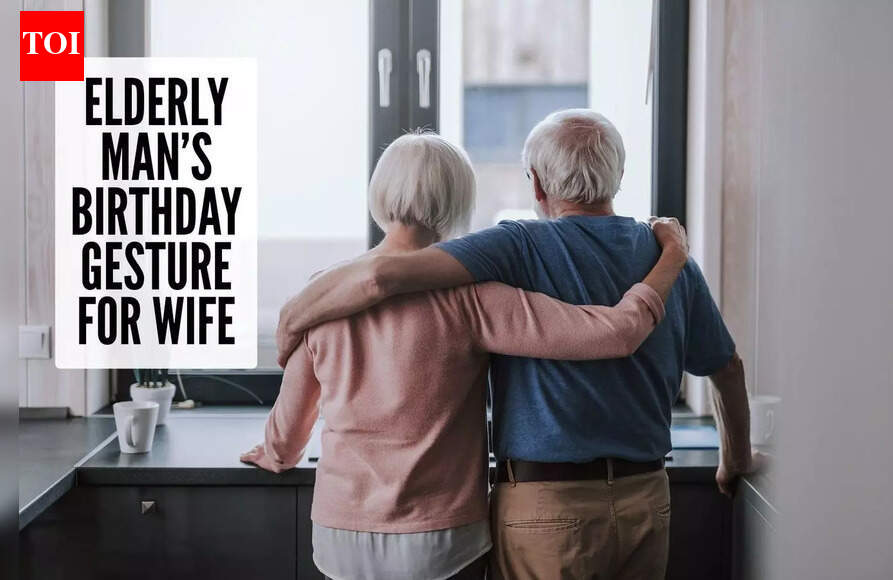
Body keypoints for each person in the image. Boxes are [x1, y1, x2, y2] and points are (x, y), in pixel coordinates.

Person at [276, 110, 755, 579]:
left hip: (544, 505)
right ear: (619, 176)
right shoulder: (670, 264)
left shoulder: (516, 247)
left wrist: (296, 314)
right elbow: (726, 367)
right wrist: (735, 461)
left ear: (537, 184)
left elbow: (386, 275)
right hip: (647, 500)